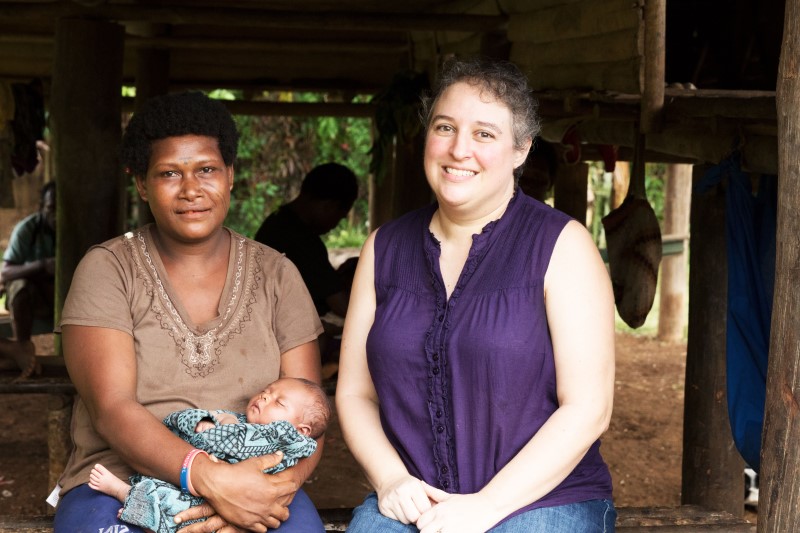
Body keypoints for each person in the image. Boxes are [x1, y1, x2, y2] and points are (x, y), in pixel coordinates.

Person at [336, 56, 616, 532]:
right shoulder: (384, 247)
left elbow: (589, 407)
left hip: (542, 500)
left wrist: (486, 507)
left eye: (484, 134)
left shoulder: (562, 245)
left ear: (521, 149)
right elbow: (355, 393)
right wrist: (390, 481)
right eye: (445, 127)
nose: (458, 149)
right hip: (416, 500)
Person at [53, 91, 327, 533]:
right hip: (121, 481)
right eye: (168, 174)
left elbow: (308, 418)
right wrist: (210, 479)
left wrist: (266, 492)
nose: (191, 189)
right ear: (141, 183)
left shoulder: (278, 275)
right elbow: (112, 407)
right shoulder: (108, 269)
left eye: (206, 169)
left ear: (230, 175)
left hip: (260, 480)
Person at [89, 377, 331, 533]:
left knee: (175, 516)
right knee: (169, 501)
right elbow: (181, 420)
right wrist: (207, 421)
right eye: (266, 391)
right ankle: (124, 492)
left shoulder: (292, 443)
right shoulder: (233, 419)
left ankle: (137, 504)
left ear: (302, 430)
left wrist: (256, 499)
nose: (265, 396)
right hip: (189, 477)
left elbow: (292, 464)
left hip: (250, 500)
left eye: (279, 402)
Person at [254, 162, 358, 320]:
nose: (335, 224)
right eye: (339, 216)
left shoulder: (277, 221)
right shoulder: (300, 239)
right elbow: (343, 306)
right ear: (329, 206)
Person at [0, 180, 56, 379]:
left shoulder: (76, 230)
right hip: (31, 297)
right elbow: (5, 273)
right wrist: (40, 266)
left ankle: (12, 353)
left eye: (61, 210)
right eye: (51, 209)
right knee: (20, 285)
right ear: (42, 207)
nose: (56, 216)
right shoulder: (28, 229)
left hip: (61, 298)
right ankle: (20, 346)